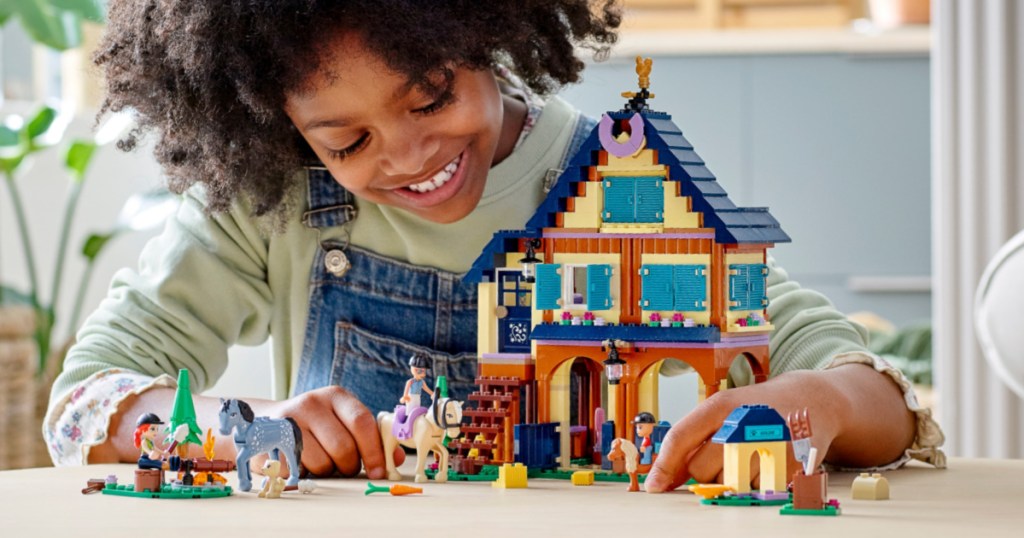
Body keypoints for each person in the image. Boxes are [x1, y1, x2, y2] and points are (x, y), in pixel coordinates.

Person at [44, 1, 943, 491]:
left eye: (430, 98)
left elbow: (877, 398)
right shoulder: (272, 204)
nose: (406, 158)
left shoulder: (611, 186)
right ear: (278, 127)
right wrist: (233, 433)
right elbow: (88, 399)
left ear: (485, 32)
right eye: (346, 143)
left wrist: (815, 399)